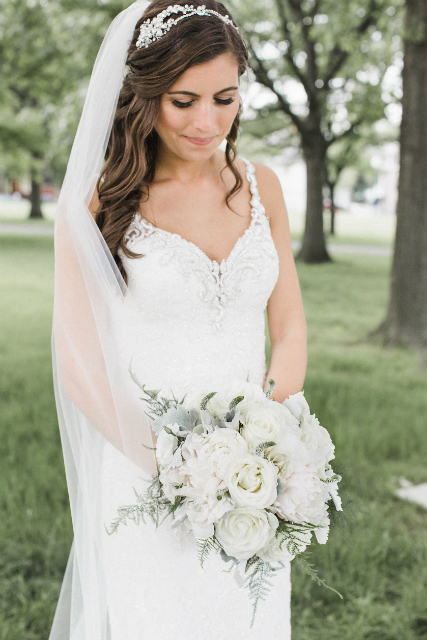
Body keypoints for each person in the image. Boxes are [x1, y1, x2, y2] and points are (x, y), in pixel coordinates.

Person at [50, 1, 307, 638]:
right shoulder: (100, 202)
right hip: (145, 470)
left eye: (225, 97)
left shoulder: (262, 187)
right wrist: (172, 468)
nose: (208, 121)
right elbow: (77, 362)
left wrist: (268, 445)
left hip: (257, 478)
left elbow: (292, 326)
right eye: (183, 100)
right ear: (144, 96)